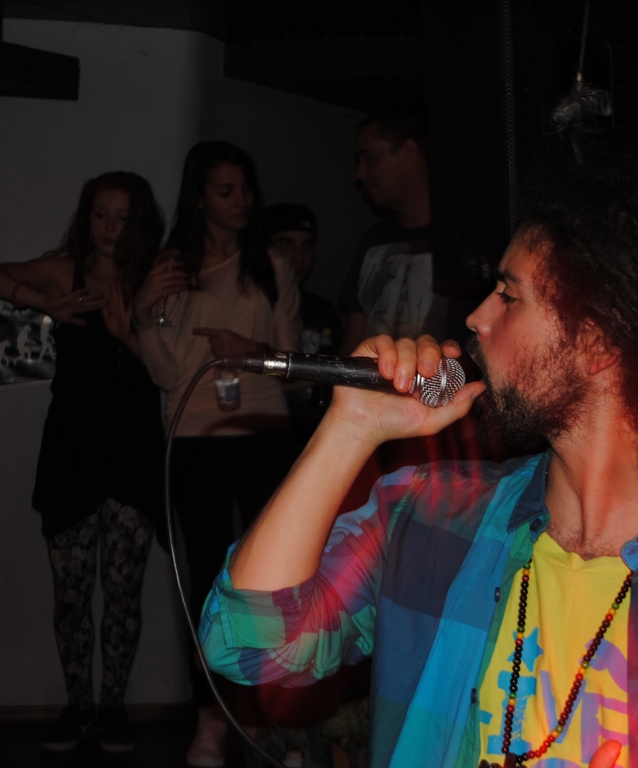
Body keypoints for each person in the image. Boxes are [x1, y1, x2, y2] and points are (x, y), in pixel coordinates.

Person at [198, 159, 638, 767]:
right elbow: (246, 644)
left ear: (597, 341)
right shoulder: (425, 513)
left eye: (509, 295)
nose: (476, 317)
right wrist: (349, 429)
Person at [0, 171, 166, 754]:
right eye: (100, 214)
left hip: (134, 451)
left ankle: (112, 708)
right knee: (71, 595)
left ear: (138, 222)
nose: (110, 227)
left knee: (124, 594)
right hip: (71, 451)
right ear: (87, 217)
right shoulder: (66, 270)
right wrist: (42, 302)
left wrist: (133, 324)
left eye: (122, 217)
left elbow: (173, 365)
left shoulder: (153, 278)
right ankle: (79, 708)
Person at [131, 141, 300, 767]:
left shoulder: (271, 264)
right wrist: (145, 311)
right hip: (195, 437)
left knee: (276, 580)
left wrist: (248, 349)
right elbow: (165, 371)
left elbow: (292, 361)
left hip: (263, 431)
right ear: (199, 197)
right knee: (205, 582)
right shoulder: (171, 269)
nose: (240, 201)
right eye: (226, 190)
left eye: (245, 189)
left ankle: (276, 717)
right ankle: (211, 718)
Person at [339, 112, 445, 354]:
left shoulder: (468, 237)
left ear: (408, 154)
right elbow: (354, 337)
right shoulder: (374, 239)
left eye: (369, 159)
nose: (360, 173)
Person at [263, 203, 344, 442]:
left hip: (318, 437)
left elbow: (340, 374)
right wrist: (320, 373)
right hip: (264, 436)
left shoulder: (323, 310)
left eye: (307, 246)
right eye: (286, 244)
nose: (299, 257)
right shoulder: (251, 309)